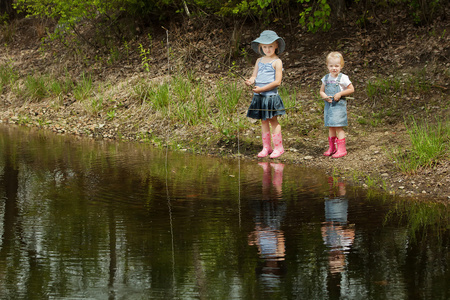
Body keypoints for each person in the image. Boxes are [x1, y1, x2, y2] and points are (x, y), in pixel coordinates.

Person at [246, 30, 286, 159]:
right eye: (264, 47)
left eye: (270, 46)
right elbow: (254, 76)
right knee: (263, 121)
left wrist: (262, 89)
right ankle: (266, 147)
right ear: (260, 47)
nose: (267, 49)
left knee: (273, 120)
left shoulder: (277, 62)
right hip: (259, 96)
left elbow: (277, 82)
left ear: (276, 46)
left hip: (270, 96)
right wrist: (251, 81)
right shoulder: (259, 60)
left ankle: (278, 147)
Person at [320, 52, 355, 158]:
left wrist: (340, 93)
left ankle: (341, 149)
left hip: (338, 106)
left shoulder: (343, 77)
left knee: (338, 126)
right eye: (331, 66)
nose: (334, 68)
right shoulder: (326, 78)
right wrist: (325, 96)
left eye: (336, 66)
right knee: (331, 126)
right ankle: (332, 147)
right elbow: (321, 91)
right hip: (329, 106)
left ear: (341, 66)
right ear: (327, 66)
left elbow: (351, 89)